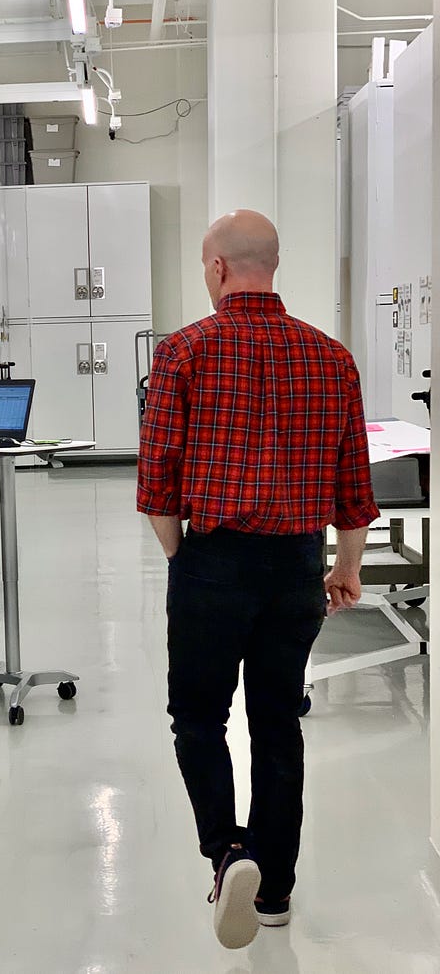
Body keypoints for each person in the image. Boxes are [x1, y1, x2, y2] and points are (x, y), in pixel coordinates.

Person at [137, 210, 378, 950]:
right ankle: (274, 889)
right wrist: (344, 566)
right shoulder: (332, 357)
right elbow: (354, 486)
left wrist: (185, 559)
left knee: (200, 718)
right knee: (278, 722)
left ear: (216, 269)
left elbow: (159, 486)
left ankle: (227, 851)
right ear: (273, 266)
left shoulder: (183, 352)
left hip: (215, 558)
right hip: (295, 564)